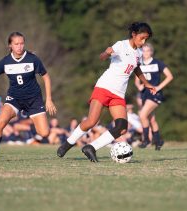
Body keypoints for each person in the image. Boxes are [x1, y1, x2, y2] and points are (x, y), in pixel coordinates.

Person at [57, 22, 156, 162]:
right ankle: (68, 143)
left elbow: (136, 69)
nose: (144, 41)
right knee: (92, 121)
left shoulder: (138, 53)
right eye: (142, 38)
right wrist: (106, 52)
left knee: (122, 128)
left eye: (146, 39)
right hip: (104, 87)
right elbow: (102, 57)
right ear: (134, 35)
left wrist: (146, 83)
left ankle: (90, 147)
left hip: (118, 94)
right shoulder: (121, 45)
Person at [0, 32, 57, 162]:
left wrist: (48, 99)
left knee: (44, 133)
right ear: (10, 45)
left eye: (21, 43)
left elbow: (46, 77)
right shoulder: (5, 62)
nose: (19, 46)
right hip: (14, 99)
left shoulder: (32, 59)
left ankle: (29, 121)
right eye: (16, 44)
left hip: (34, 99)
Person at [135, 43, 173, 150]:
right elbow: (137, 81)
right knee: (151, 120)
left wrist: (158, 87)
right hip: (144, 95)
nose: (145, 53)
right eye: (143, 51)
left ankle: (146, 140)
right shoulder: (140, 64)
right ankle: (158, 141)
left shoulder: (158, 63)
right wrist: (139, 86)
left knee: (142, 115)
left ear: (151, 52)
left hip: (155, 94)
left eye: (147, 51)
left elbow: (170, 76)